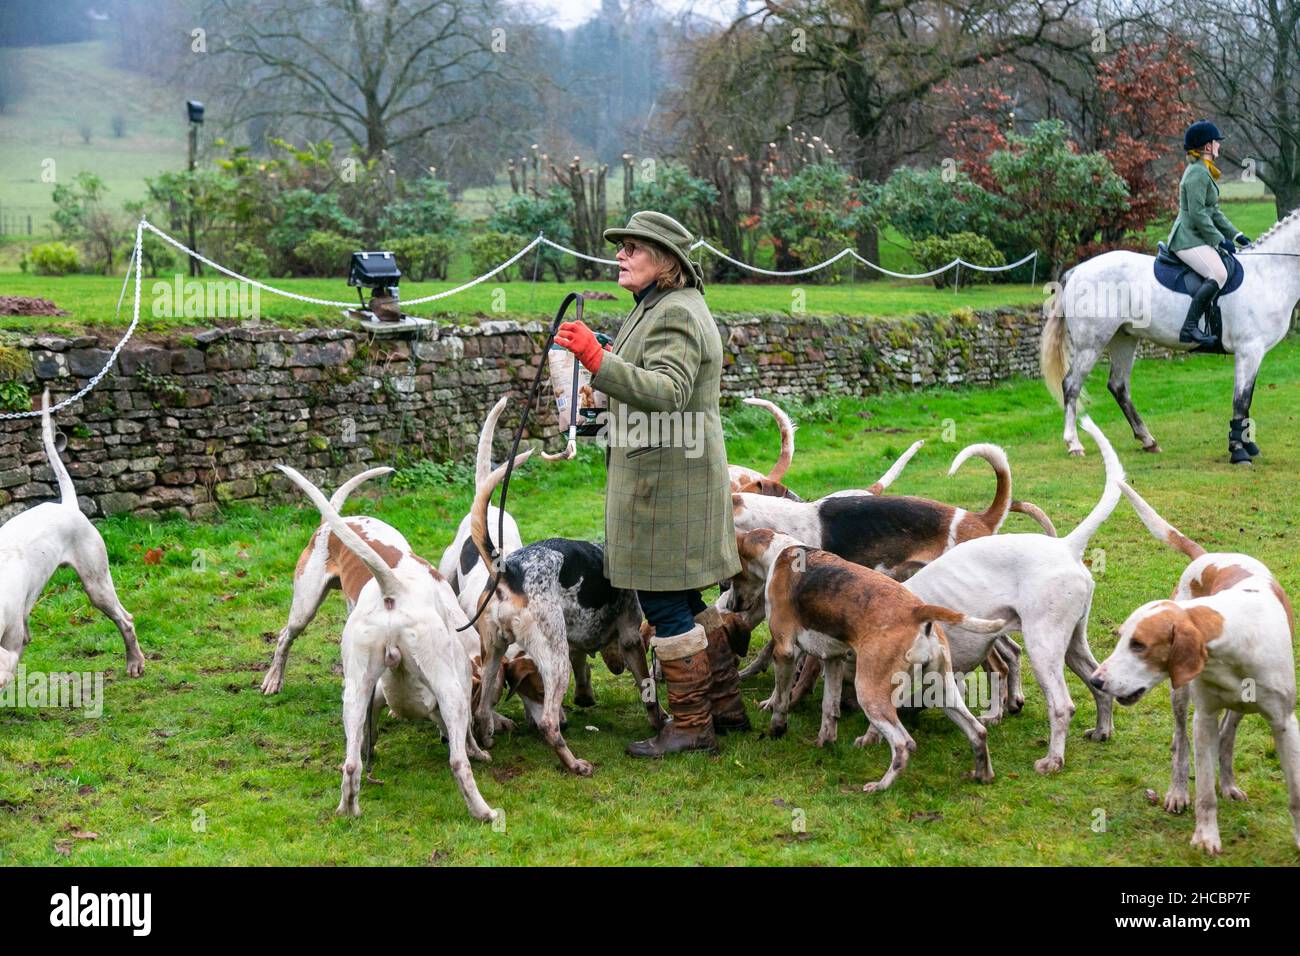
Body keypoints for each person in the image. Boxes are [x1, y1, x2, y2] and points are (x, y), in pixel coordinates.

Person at [554, 211, 748, 757]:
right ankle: (725, 707)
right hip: (668, 475)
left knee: (664, 603)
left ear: (666, 262)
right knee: (685, 596)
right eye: (622, 246)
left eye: (634, 248)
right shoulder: (659, 306)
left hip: (668, 484)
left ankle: (691, 725)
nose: (621, 255)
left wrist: (597, 360)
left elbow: (667, 391)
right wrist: (605, 364)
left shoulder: (677, 314)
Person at [1165, 120, 1252, 350]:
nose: (1219, 147)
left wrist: (1236, 235)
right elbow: (1197, 214)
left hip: (1195, 236)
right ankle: (1190, 327)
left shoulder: (1204, 172)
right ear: (1207, 147)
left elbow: (1213, 211)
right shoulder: (1197, 174)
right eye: (1216, 143)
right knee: (1219, 273)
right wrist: (1218, 240)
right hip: (1187, 238)